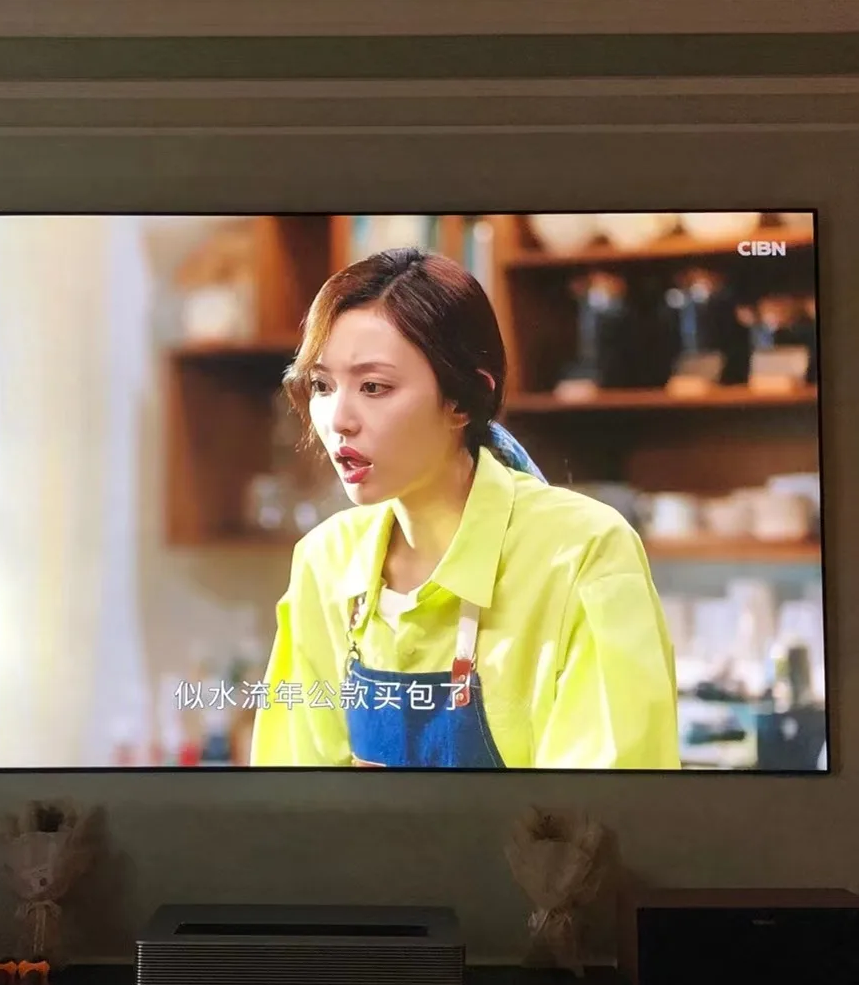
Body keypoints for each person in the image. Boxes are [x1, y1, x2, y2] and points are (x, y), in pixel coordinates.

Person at [249, 248, 680, 770]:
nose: (338, 419)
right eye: (321, 385)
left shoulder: (583, 553)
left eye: (374, 387)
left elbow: (603, 807)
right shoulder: (326, 560)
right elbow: (295, 792)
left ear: (463, 399)